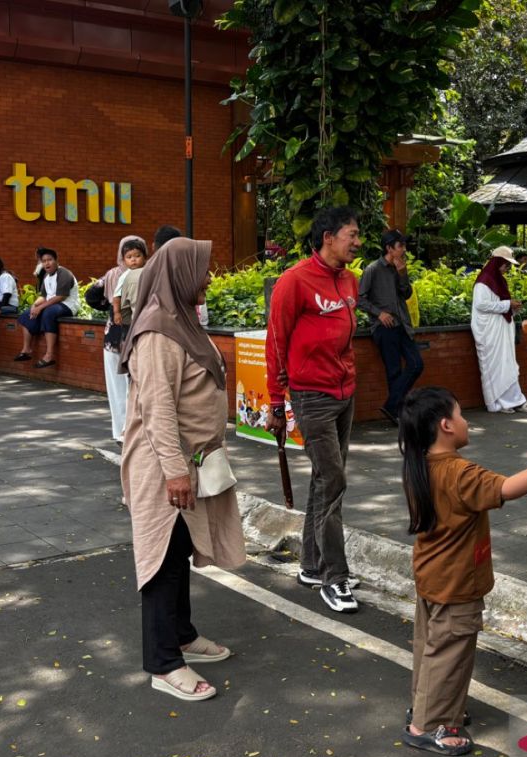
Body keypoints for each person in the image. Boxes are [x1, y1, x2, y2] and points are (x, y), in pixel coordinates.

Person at [398, 386, 527, 755]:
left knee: (430, 647)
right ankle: (427, 726)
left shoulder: (418, 463)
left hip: (432, 574)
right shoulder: (459, 473)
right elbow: (507, 488)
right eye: (461, 416)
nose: (466, 422)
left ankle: (431, 707)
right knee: (449, 654)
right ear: (446, 425)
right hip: (457, 582)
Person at [120, 237, 245, 701]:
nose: (209, 277)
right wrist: (174, 471)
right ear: (181, 274)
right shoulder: (157, 331)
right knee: (159, 559)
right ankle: (163, 662)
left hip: (187, 462)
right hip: (162, 466)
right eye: (202, 269)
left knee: (177, 552)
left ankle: (183, 636)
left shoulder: (181, 321)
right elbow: (157, 410)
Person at [265, 206, 364, 613]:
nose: (357, 242)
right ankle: (333, 577)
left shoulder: (351, 282)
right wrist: (275, 400)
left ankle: (311, 563)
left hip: (345, 393)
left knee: (325, 480)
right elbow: (276, 340)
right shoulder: (294, 281)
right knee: (334, 480)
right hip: (311, 396)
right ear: (327, 236)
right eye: (351, 234)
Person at [358, 229, 422, 423]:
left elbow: (407, 294)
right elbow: (359, 298)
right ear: (389, 248)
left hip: (402, 323)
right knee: (393, 370)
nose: (404, 249)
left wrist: (403, 274)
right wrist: (379, 313)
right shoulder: (373, 269)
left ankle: (391, 406)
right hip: (383, 326)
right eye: (400, 246)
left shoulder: (400, 267)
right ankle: (397, 413)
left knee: (416, 364)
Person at [470, 246, 527, 414]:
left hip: (500, 329)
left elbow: (500, 304)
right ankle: (500, 402)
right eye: (506, 265)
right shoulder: (484, 281)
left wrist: (512, 307)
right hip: (489, 331)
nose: (508, 269)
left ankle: (513, 400)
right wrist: (508, 304)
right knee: (495, 366)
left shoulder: (499, 280)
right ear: (498, 262)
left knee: (507, 365)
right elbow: (481, 304)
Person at [98, 235, 146, 442]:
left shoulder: (112, 274)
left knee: (118, 387)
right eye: (130, 256)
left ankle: (121, 432)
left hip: (114, 337)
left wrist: (110, 308)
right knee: (137, 386)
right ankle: (134, 431)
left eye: (137, 255)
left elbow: (93, 295)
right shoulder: (149, 274)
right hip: (135, 335)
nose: (133, 259)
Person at [15, 247, 78, 368]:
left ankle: (49, 355)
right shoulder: (47, 277)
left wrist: (41, 308)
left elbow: (61, 297)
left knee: (48, 313)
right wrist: (34, 305)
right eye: (44, 261)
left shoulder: (64, 273)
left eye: (49, 260)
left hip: (68, 305)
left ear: (56, 261)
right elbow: (43, 296)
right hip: (52, 304)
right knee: (26, 314)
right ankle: (26, 350)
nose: (46, 263)